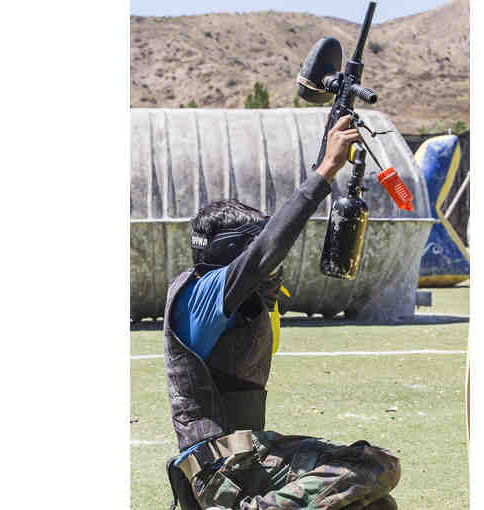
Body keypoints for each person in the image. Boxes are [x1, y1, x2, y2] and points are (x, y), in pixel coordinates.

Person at [164, 115, 401, 510]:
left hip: (244, 461)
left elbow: (270, 248)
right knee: (373, 465)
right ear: (232, 251)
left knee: (375, 504)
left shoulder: (229, 302)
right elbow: (267, 250)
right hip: (220, 471)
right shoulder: (204, 292)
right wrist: (326, 171)